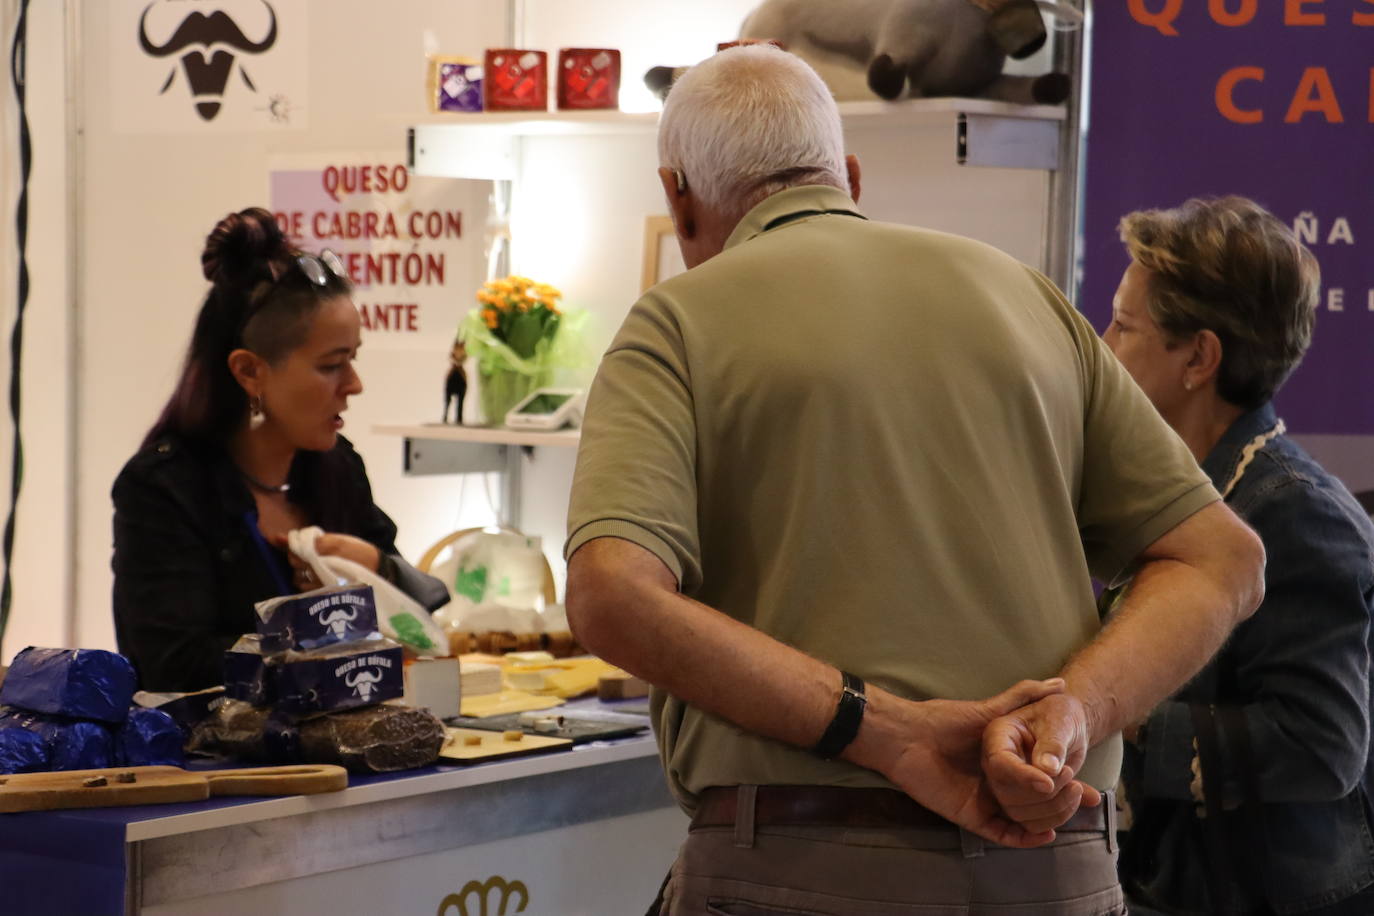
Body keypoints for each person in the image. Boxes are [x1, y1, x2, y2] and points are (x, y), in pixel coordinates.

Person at [563, 46, 1264, 915]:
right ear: (847, 176)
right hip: (1055, 862)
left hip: (795, 870)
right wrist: (1071, 716)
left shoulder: (674, 322)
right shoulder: (1025, 297)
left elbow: (609, 597)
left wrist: (887, 733)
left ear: (677, 195)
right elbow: (1221, 559)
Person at [1100, 196, 1374, 915]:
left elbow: (1323, 744)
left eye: (1125, 326)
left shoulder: (1298, 515)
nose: (1104, 343)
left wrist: (1109, 715)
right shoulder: (1185, 493)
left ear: (1199, 357)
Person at [112, 207, 447, 692]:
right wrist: (318, 624)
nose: (354, 385)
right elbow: (171, 664)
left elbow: (422, 618)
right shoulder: (164, 488)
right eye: (332, 365)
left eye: (353, 359)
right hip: (219, 764)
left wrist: (373, 565)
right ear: (249, 371)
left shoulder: (338, 466)